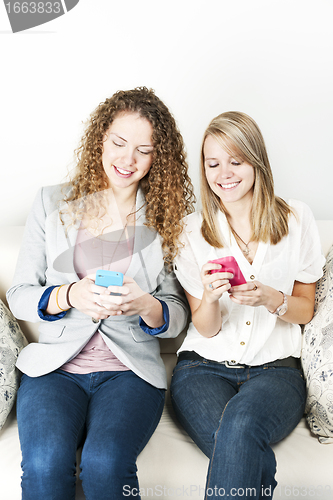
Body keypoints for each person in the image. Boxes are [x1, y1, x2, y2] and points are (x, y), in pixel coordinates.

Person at [7, 87, 195, 500]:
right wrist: (70, 294)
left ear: (156, 157)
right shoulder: (51, 202)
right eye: (119, 143)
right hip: (55, 370)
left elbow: (179, 313)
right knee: (44, 463)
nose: (127, 160)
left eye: (143, 150)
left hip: (130, 373)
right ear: (100, 140)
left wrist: (146, 304)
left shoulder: (168, 216)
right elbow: (20, 295)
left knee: (105, 463)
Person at [170, 111, 324, 500]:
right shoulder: (191, 231)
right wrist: (208, 297)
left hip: (277, 374)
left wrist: (273, 299)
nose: (224, 173)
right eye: (213, 163)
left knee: (239, 427)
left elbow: (305, 310)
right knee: (242, 449)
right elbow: (206, 328)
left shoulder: (296, 219)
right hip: (201, 371)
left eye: (235, 161)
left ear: (256, 161)